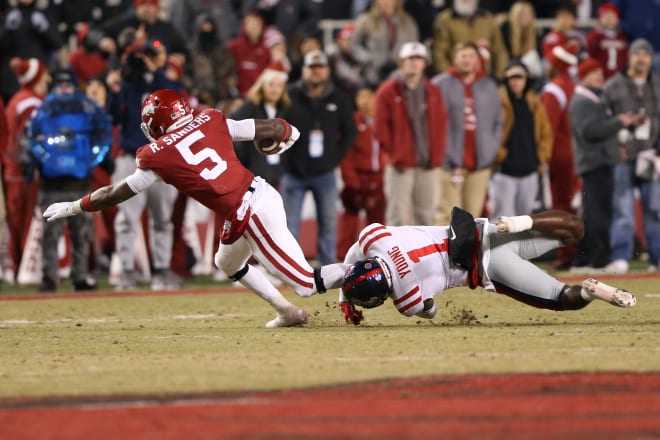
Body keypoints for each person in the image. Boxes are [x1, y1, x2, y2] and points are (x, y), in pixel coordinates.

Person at [43, 89, 350, 328]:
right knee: (227, 262)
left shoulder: (157, 155)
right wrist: (286, 136)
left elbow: (115, 193)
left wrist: (73, 207)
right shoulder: (212, 118)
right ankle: (287, 312)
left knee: (307, 285)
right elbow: (276, 128)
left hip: (252, 211)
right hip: (253, 199)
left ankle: (371, 271)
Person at [337, 208, 637, 325]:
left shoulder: (405, 298)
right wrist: (345, 294)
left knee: (564, 298)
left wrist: (356, 298)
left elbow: (429, 310)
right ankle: (522, 222)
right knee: (574, 228)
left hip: (490, 267)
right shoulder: (374, 236)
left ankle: (590, 292)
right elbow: (354, 252)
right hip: (489, 231)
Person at [25, 70, 113, 292]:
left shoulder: (83, 114)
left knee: (81, 236)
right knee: (51, 237)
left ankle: (79, 276)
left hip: (78, 185)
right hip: (54, 185)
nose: (64, 88)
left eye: (68, 83)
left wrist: (104, 159)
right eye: (60, 83)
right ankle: (50, 278)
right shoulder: (44, 114)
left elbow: (100, 139)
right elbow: (32, 144)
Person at [281, 50, 357, 266]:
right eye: (311, 68)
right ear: (303, 70)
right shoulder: (289, 95)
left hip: (325, 172)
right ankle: (291, 267)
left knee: (328, 224)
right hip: (293, 171)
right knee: (288, 225)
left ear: (328, 70)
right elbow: (277, 128)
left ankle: (328, 269)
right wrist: (286, 160)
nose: (315, 72)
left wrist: (334, 158)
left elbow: (350, 131)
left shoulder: (340, 98)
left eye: (320, 67)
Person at [569, 58, 645, 272]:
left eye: (599, 71)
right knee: (599, 214)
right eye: (592, 72)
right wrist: (620, 121)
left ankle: (584, 260)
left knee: (594, 212)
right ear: (583, 76)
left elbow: (598, 130)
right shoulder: (583, 101)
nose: (598, 76)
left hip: (599, 161)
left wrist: (615, 147)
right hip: (595, 163)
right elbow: (591, 131)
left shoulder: (591, 98)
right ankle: (598, 259)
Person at [602, 38, 660, 273]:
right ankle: (621, 257)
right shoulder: (613, 85)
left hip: (650, 155)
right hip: (624, 157)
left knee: (654, 210)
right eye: (637, 54)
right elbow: (603, 122)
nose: (641, 58)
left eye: (646, 54)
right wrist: (616, 150)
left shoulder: (657, 84)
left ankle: (656, 258)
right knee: (623, 209)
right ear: (630, 57)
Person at [374, 41, 447, 227]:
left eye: (418, 59)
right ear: (401, 62)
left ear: (425, 63)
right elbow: (380, 128)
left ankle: (423, 256)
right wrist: (395, 153)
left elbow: (441, 125)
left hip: (427, 163)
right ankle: (393, 254)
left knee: (425, 215)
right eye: (409, 59)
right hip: (401, 165)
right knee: (397, 214)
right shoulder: (388, 91)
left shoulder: (433, 91)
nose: (414, 63)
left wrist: (437, 154)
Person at [432, 41, 502, 225]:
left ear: (478, 60)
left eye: (471, 56)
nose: (467, 60)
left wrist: (489, 151)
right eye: (463, 56)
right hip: (448, 164)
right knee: (446, 216)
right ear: (454, 59)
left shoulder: (488, 85)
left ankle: (467, 254)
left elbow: (498, 121)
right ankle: (443, 254)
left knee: (473, 219)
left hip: (479, 163)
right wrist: (444, 154)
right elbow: (432, 124)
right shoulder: (439, 84)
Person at [4, 57, 50, 283]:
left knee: (15, 218)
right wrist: (36, 164)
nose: (48, 78)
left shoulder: (18, 99)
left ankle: (13, 267)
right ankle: (22, 267)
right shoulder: (30, 102)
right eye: (45, 74)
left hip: (14, 168)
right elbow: (27, 139)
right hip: (24, 169)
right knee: (24, 219)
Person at [490, 60, 553, 219]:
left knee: (525, 221)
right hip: (504, 172)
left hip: (530, 171)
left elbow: (546, 133)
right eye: (511, 77)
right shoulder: (497, 100)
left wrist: (540, 158)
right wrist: (500, 156)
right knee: (502, 221)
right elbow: (489, 132)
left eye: (519, 77)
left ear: (526, 79)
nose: (515, 81)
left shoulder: (534, 101)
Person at [541, 42, 580, 270]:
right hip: (574, 151)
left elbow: (548, 128)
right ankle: (572, 251)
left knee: (560, 205)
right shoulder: (571, 85)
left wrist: (543, 157)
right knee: (570, 205)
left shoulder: (553, 90)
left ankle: (566, 253)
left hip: (559, 154)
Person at [337, 87, 386, 260]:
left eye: (368, 97)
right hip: (358, 176)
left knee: (377, 221)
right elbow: (346, 153)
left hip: (379, 176)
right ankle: (343, 258)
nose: (364, 101)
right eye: (361, 97)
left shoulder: (382, 120)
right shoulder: (352, 121)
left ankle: (378, 257)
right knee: (349, 219)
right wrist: (350, 179)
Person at [349, 0, 420, 89]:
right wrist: (369, 59)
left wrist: (405, 63)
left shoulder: (408, 23)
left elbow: (413, 48)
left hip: (400, 77)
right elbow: (354, 45)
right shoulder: (365, 20)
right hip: (373, 76)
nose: (385, 2)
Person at [431, 0, 508, 79]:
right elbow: (438, 52)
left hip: (485, 78)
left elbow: (500, 51)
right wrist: (449, 77)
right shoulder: (445, 20)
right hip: (456, 78)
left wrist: (499, 77)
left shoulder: (488, 19)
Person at [585, 3, 628, 81]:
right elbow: (589, 55)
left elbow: (625, 59)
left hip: (619, 77)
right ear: (600, 19)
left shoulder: (622, 38)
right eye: (606, 16)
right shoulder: (595, 36)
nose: (609, 19)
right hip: (600, 77)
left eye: (612, 16)